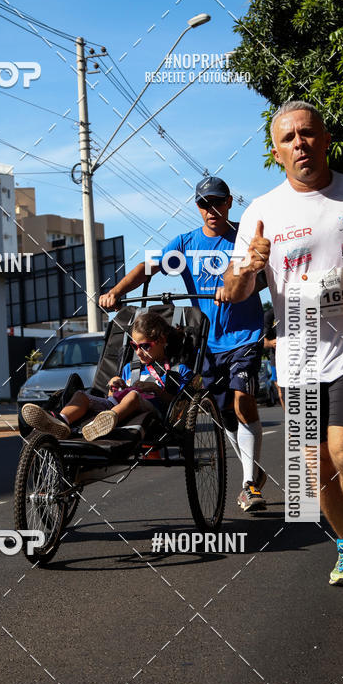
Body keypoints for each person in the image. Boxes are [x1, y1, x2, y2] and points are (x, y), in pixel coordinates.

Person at [223, 100, 343, 589]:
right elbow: (233, 295)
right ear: (276, 153)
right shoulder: (262, 212)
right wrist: (249, 265)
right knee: (312, 468)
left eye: (308, 133)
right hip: (296, 359)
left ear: (326, 139)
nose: (300, 143)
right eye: (288, 138)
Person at [99, 176, 268, 512]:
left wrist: (237, 288)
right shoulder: (185, 245)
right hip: (207, 341)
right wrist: (117, 292)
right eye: (205, 204)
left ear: (229, 202)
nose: (212, 210)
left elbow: (262, 276)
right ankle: (254, 471)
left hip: (245, 335)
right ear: (197, 207)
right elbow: (147, 268)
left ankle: (249, 484)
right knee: (224, 416)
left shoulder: (243, 238)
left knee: (242, 401)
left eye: (218, 202)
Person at [22, 312, 192, 441]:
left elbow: (183, 406)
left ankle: (105, 421)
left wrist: (156, 389)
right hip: (114, 406)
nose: (138, 352)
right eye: (134, 346)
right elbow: (113, 398)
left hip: (155, 413)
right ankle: (60, 421)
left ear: (162, 340)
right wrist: (114, 386)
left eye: (145, 346)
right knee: (81, 395)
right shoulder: (130, 368)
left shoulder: (178, 370)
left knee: (133, 396)